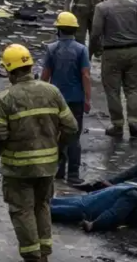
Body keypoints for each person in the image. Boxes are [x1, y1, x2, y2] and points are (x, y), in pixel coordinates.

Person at [0, 44, 76, 262]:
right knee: (42, 206)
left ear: (10, 71)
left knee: (22, 211)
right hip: (47, 166)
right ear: (29, 66)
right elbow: (71, 127)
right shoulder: (52, 91)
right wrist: (57, 149)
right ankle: (44, 254)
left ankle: (32, 256)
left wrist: (7, 156)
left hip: (17, 169)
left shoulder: (5, 98)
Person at [90, 0, 137, 139]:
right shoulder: (134, 5)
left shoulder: (102, 8)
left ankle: (117, 125)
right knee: (132, 89)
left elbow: (95, 34)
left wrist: (91, 52)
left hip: (112, 53)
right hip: (133, 51)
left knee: (113, 90)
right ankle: (133, 121)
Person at [40, 12, 90, 186]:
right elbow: (85, 75)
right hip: (76, 100)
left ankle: (58, 171)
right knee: (74, 137)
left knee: (57, 135)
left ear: (59, 30)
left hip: (55, 100)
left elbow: (45, 75)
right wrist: (87, 99)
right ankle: (74, 175)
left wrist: (40, 95)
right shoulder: (82, 50)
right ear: (74, 30)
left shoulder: (51, 49)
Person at [49, 182, 137, 232]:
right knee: (84, 208)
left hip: (128, 188)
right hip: (134, 195)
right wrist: (95, 225)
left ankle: (43, 204)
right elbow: (115, 214)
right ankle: (41, 210)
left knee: (83, 202)